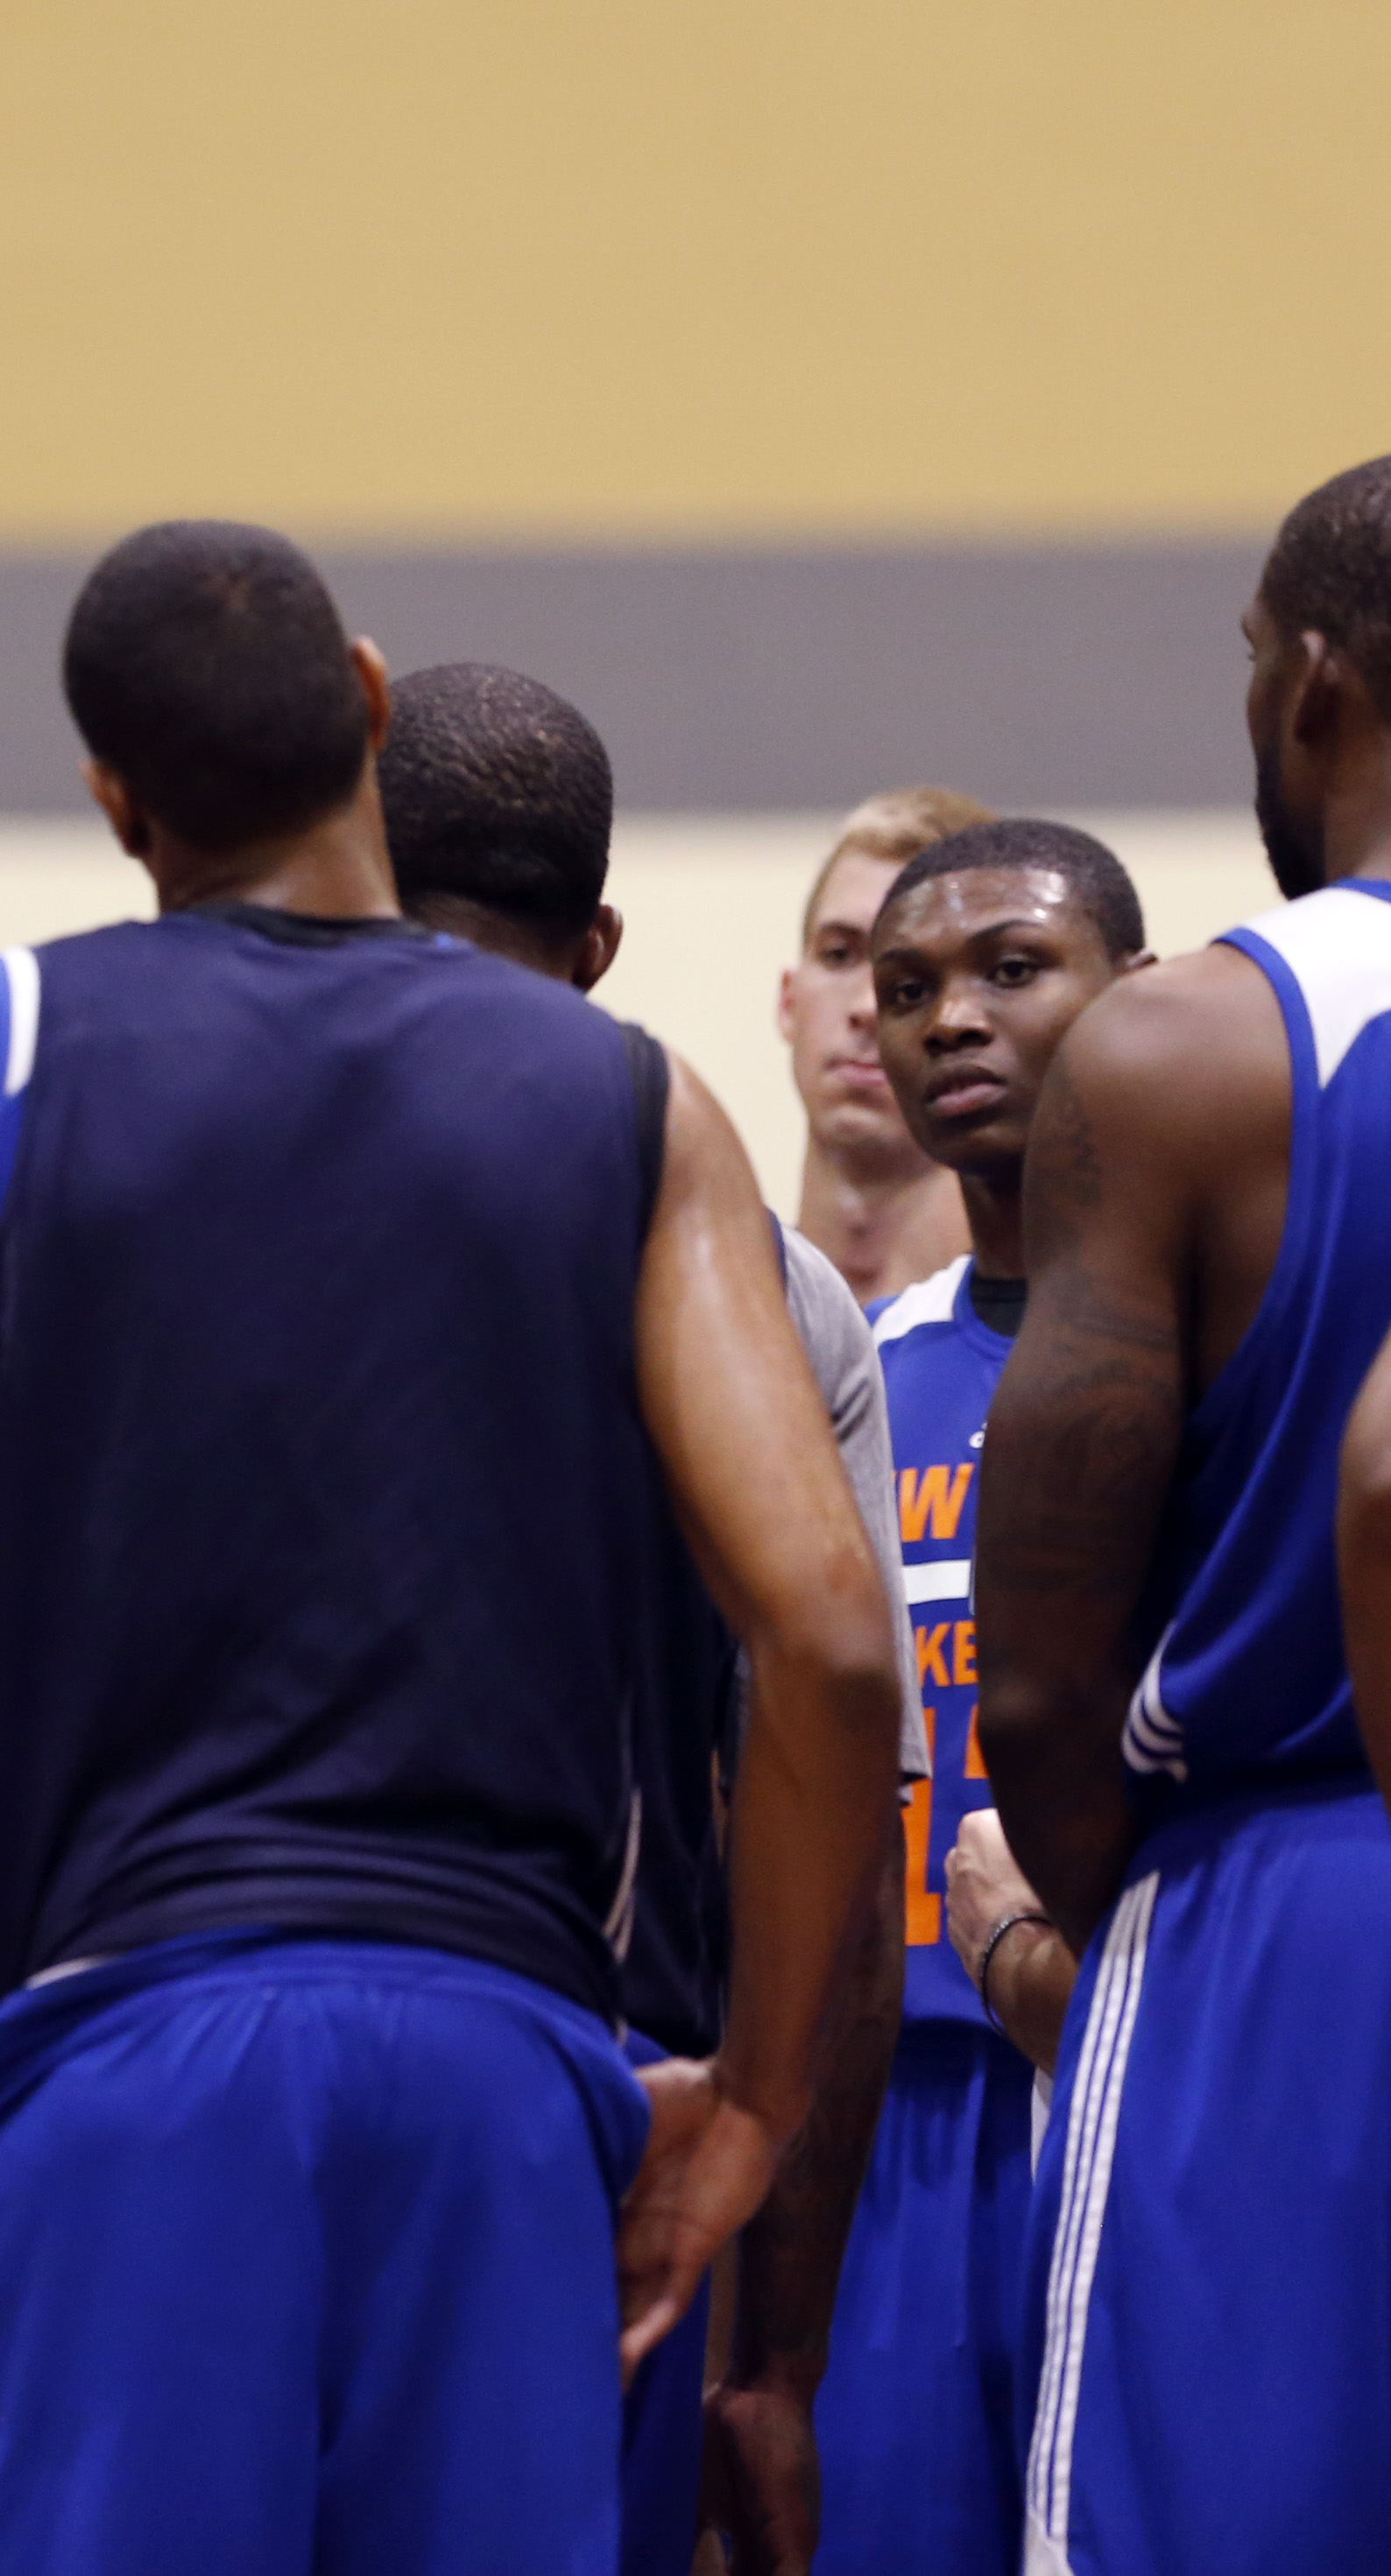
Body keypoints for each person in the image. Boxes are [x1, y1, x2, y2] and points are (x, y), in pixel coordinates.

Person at [0, 520, 906, 2574]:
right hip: (509, 2076)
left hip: (112, 2063)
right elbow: (834, 1649)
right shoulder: (636, 1109)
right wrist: (755, 2096)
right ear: (365, 705)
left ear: (113, 800)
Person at [379, 660, 926, 2576]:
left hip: (178, 2071)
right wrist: (772, 2362)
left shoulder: (131, 1173)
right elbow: (841, 1797)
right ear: (598, 947)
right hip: (590, 2104)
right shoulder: (757, 1287)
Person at [979, 455, 1391, 2571]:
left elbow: (1038, 1687)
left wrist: (1105, 1900)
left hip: (1280, 1904)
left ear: (1310, 682)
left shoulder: (1186, 1048)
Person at [808, 819, 1147, 2576]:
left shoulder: (1235, 1360)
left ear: (1131, 997)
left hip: (1148, 2070)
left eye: (1009, 972)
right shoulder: (860, 1371)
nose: (948, 1020)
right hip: (898, 2117)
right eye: (905, 987)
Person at [782, 789, 992, 1302]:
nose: (868, 1006)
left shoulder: (1056, 1331)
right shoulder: (701, 1312)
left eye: (916, 974)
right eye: (839, 955)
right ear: (788, 1001)